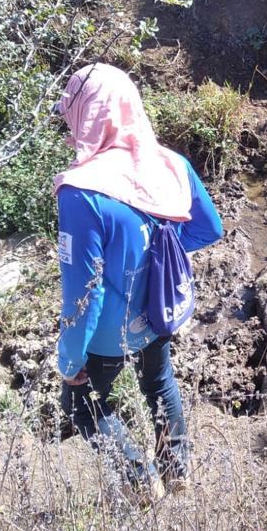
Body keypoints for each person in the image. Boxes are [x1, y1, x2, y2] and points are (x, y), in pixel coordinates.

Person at [53, 63, 223, 500]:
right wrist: (158, 253)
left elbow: (82, 292)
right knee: (159, 381)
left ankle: (139, 480)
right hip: (159, 309)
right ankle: (177, 470)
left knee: (83, 404)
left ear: (87, 114)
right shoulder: (170, 164)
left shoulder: (81, 192)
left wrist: (70, 362)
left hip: (108, 331)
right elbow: (209, 229)